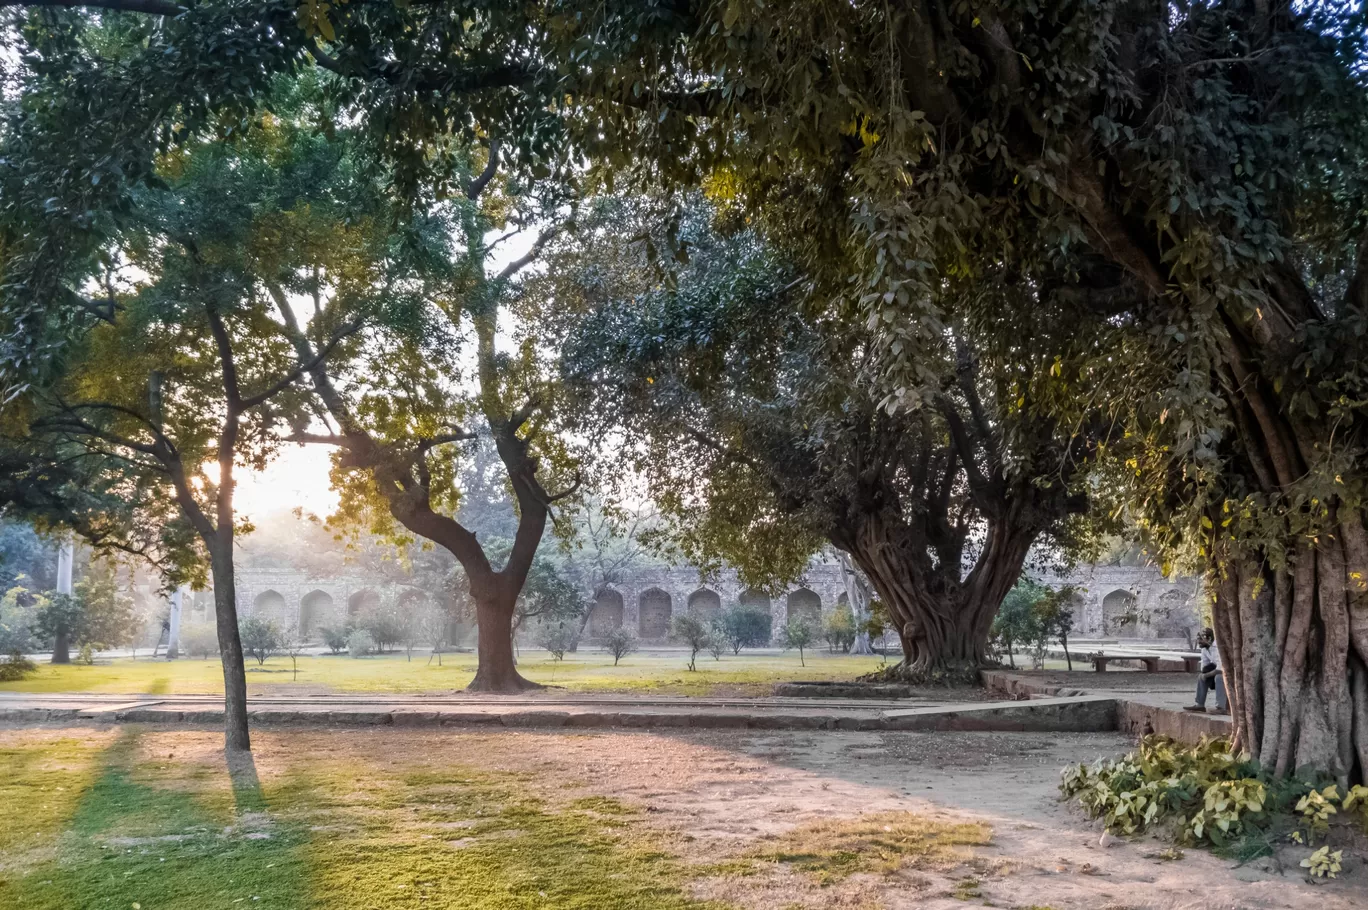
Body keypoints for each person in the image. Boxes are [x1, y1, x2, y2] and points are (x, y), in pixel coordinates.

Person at [1184, 628, 1227, 714]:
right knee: (1201, 676)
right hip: (1218, 670)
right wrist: (1205, 674)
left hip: (1228, 672)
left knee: (1219, 677)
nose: (1198, 642)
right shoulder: (1204, 649)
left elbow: (1220, 669)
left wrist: (1206, 675)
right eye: (1198, 639)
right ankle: (1200, 704)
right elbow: (1204, 666)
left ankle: (1221, 707)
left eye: (1200, 639)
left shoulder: (1218, 647)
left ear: (1209, 639)